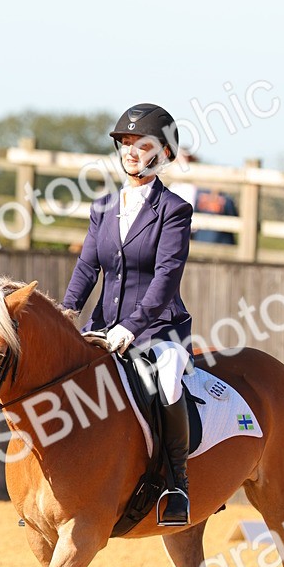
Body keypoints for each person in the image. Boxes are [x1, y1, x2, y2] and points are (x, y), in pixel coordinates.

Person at [62, 102, 194, 526]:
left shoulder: (173, 210)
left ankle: (177, 485)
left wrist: (132, 327)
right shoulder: (102, 207)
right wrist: (67, 311)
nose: (131, 151)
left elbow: (165, 278)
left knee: (168, 381)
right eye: (125, 143)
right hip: (102, 325)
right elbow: (87, 267)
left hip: (158, 329)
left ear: (164, 153)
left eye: (142, 144)